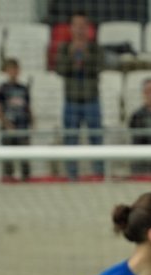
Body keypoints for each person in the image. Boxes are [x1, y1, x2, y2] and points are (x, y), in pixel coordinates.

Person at [56, 11, 105, 180]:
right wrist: (72, 56)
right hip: (71, 101)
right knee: (70, 140)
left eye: (82, 26)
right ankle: (72, 176)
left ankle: (98, 174)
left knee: (96, 139)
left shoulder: (95, 48)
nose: (79, 30)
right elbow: (61, 70)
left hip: (91, 100)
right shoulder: (64, 48)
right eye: (76, 26)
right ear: (71, 28)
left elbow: (98, 68)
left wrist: (86, 55)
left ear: (87, 29)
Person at [0, 58, 33, 182]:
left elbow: (28, 107)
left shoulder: (23, 88)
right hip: (8, 126)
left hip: (22, 125)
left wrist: (32, 120)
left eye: (15, 69)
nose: (13, 72)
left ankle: (25, 177)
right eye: (10, 69)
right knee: (8, 154)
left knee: (24, 154)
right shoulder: (1, 88)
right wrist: (6, 123)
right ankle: (8, 177)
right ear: (6, 71)